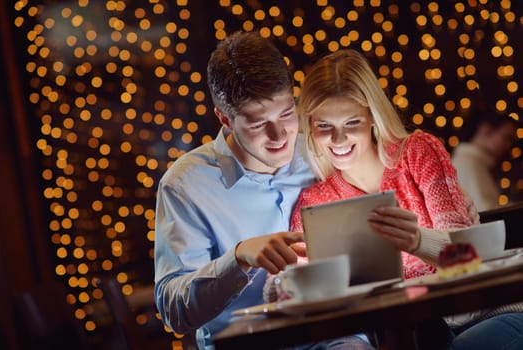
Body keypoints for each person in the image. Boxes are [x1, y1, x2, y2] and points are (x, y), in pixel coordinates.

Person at [269, 49, 523, 350]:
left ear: (372, 118)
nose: (338, 140)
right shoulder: (315, 202)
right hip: (407, 332)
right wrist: (282, 286)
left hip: (483, 315)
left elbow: (469, 258)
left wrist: (417, 240)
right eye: (324, 126)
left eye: (352, 123)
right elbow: (298, 288)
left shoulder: (416, 153)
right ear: (310, 126)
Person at [154, 31, 374, 350]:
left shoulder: (321, 152)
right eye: (258, 124)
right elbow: (173, 310)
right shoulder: (185, 185)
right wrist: (238, 257)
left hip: (336, 336)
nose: (279, 135)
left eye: (286, 114)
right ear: (224, 119)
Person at [451, 111, 518, 212]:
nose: (508, 145)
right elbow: (486, 212)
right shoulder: (468, 163)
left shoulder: (476, 163)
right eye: (506, 137)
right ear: (486, 130)